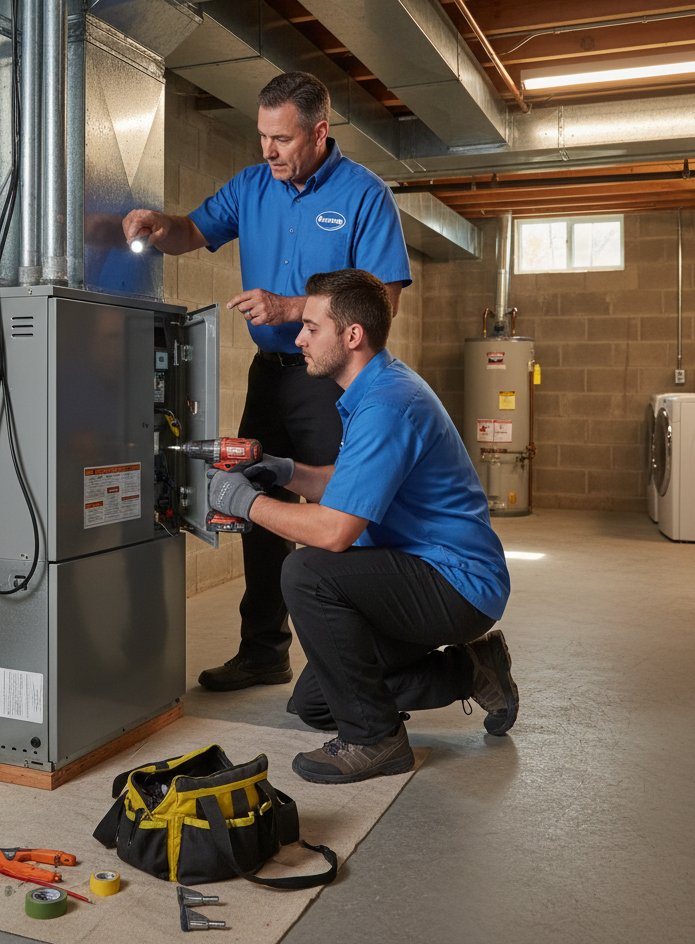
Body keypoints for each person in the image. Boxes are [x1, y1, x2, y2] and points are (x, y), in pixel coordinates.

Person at [122, 72, 412, 692]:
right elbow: (192, 231)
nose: (268, 151)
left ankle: (361, 663)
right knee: (256, 504)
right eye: (262, 137)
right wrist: (155, 225)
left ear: (319, 132)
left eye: (281, 139)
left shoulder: (365, 195)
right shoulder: (252, 186)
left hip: (332, 381)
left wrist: (290, 308)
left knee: (343, 516)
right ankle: (264, 652)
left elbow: (381, 302)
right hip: (269, 378)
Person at [205, 269, 517, 784]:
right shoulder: (373, 388)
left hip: (456, 584)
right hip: (417, 571)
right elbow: (347, 485)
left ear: (352, 336)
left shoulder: (388, 405)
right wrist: (286, 470)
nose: (298, 338)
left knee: (307, 571)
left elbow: (333, 531)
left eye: (310, 327)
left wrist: (244, 502)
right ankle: (472, 671)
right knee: (314, 701)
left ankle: (376, 741)